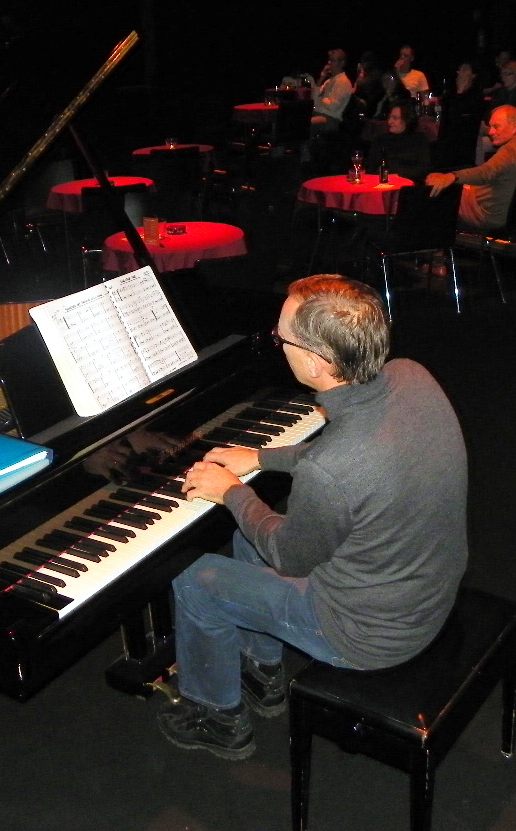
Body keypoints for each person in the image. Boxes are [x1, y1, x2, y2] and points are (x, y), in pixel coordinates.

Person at [158, 274, 467, 760]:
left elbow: (291, 556)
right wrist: (261, 457)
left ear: (317, 362)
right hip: (422, 590)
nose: (276, 343)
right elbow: (346, 455)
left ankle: (217, 717)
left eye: (280, 337)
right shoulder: (410, 376)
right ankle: (263, 673)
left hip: (368, 634)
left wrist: (232, 492)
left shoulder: (334, 467)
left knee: (195, 578)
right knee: (246, 542)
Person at [425, 104, 516, 231]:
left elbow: (485, 173)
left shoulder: (509, 152)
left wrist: (452, 176)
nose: (491, 132)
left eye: (496, 127)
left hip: (489, 216)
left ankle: (434, 241)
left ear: (514, 127)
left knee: (434, 189)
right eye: (490, 127)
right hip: (515, 216)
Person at [434, 59, 488, 169]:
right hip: (447, 139)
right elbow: (446, 115)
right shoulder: (450, 93)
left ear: (473, 75)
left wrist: (460, 92)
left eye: (465, 70)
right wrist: (458, 92)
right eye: (460, 70)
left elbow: (468, 119)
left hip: (465, 140)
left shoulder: (476, 95)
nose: (460, 73)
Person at [365, 100, 431, 183]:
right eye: (389, 117)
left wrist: (395, 172)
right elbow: (371, 169)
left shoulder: (419, 140)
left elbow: (423, 169)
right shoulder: (380, 140)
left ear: (406, 120)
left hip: (410, 185)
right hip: (384, 184)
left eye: (395, 118)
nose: (390, 122)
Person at [309, 48, 352, 135]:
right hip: (319, 113)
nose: (329, 63)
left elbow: (333, 106)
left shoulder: (343, 81)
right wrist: (321, 78)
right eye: (329, 60)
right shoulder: (328, 81)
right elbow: (313, 99)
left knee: (305, 124)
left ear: (342, 63)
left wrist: (321, 98)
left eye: (333, 60)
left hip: (331, 118)